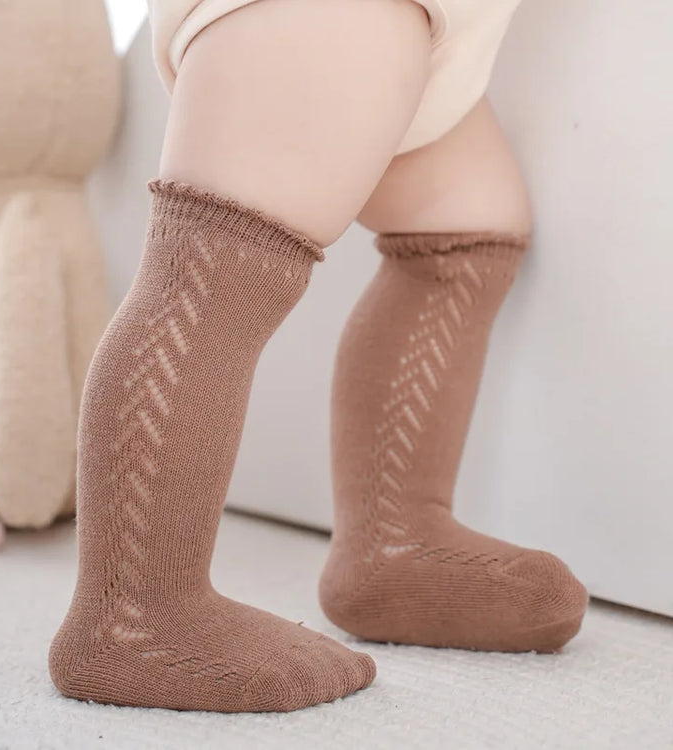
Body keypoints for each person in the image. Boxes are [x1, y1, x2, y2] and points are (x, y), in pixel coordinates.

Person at [49, 0, 588, 713]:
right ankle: (133, 618)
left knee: (468, 238)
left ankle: (394, 546)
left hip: (446, 29)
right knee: (222, 272)